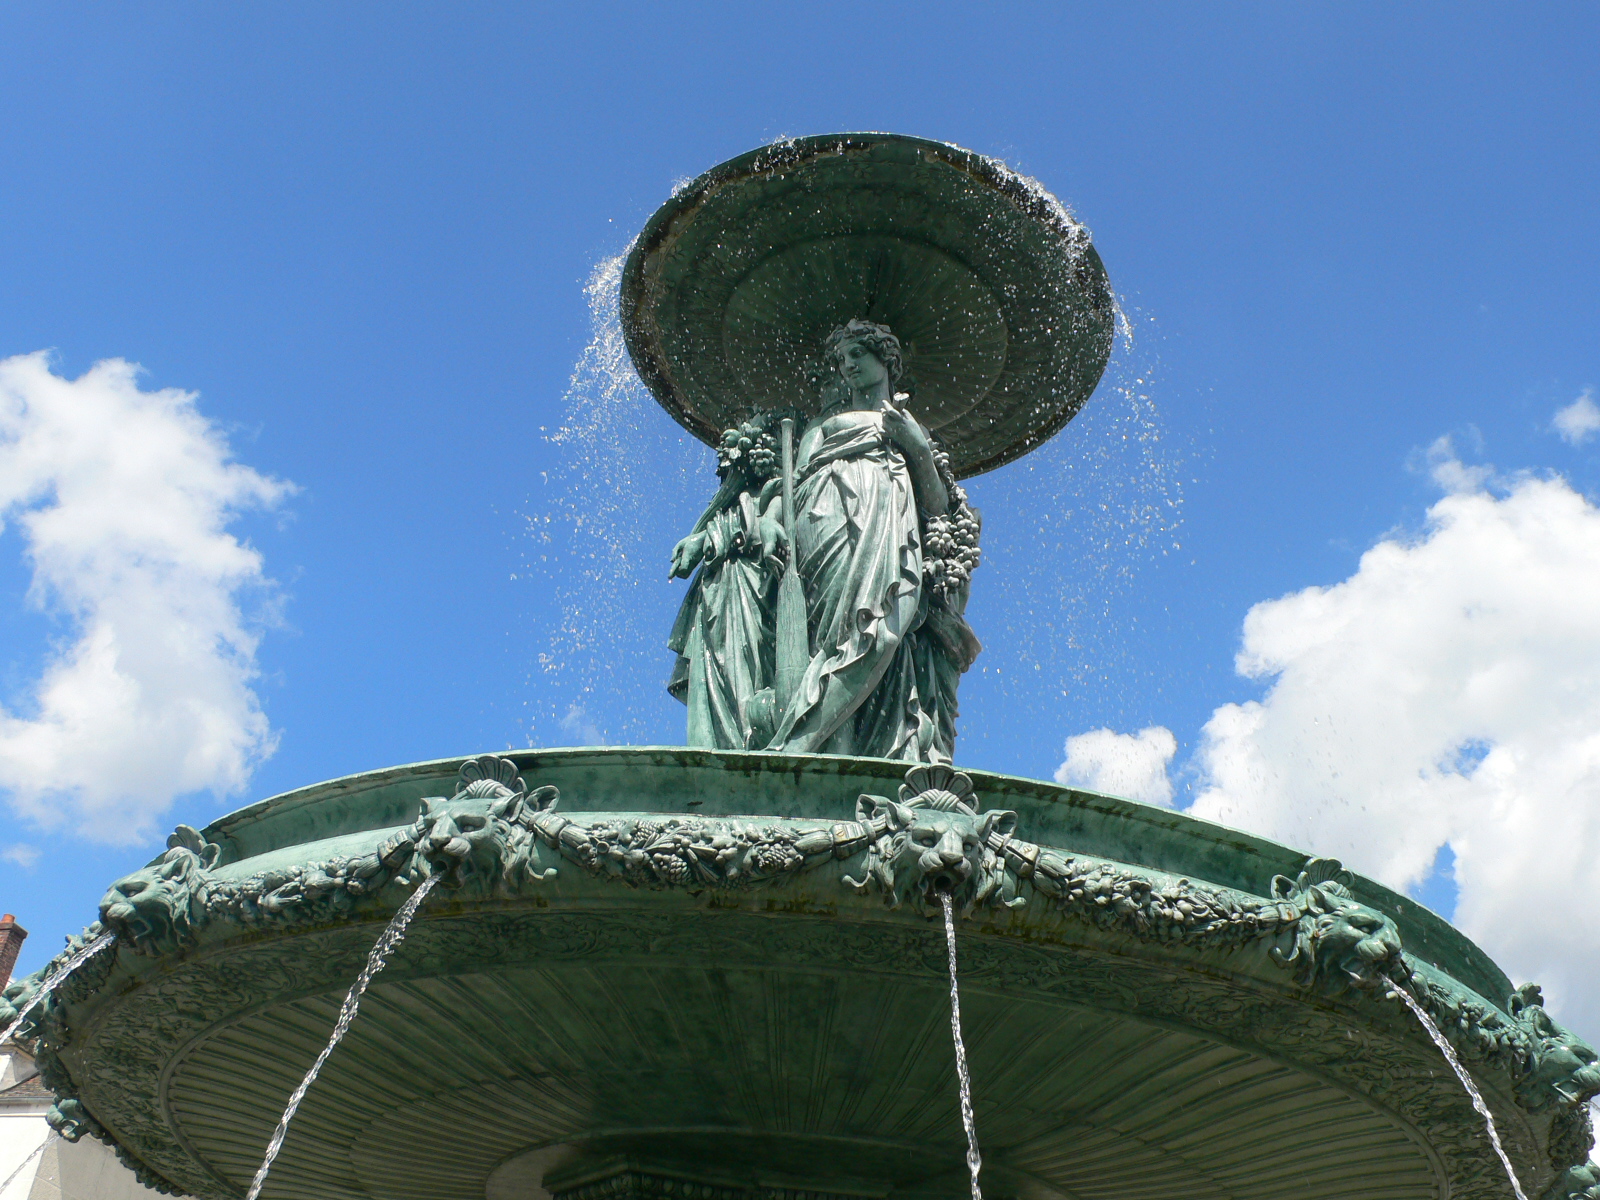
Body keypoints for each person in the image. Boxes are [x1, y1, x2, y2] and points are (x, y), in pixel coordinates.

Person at [767, 319, 979, 761]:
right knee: (832, 638)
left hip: (891, 525)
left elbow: (937, 509)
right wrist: (770, 519)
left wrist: (916, 448)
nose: (848, 367)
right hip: (827, 522)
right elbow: (795, 482)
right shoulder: (824, 424)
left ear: (886, 357)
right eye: (842, 360)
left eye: (857, 356)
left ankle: (799, 744)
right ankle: (817, 747)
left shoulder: (909, 425)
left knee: (882, 633)